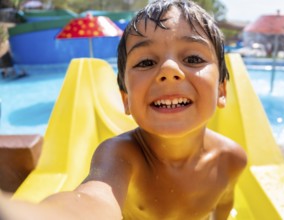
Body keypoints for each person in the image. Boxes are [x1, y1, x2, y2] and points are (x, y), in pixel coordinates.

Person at [0, 0, 247, 219]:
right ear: (126, 98)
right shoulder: (121, 156)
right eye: (146, 62)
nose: (169, 70)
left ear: (222, 90)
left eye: (193, 59)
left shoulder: (231, 159)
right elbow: (92, 200)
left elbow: (223, 206)